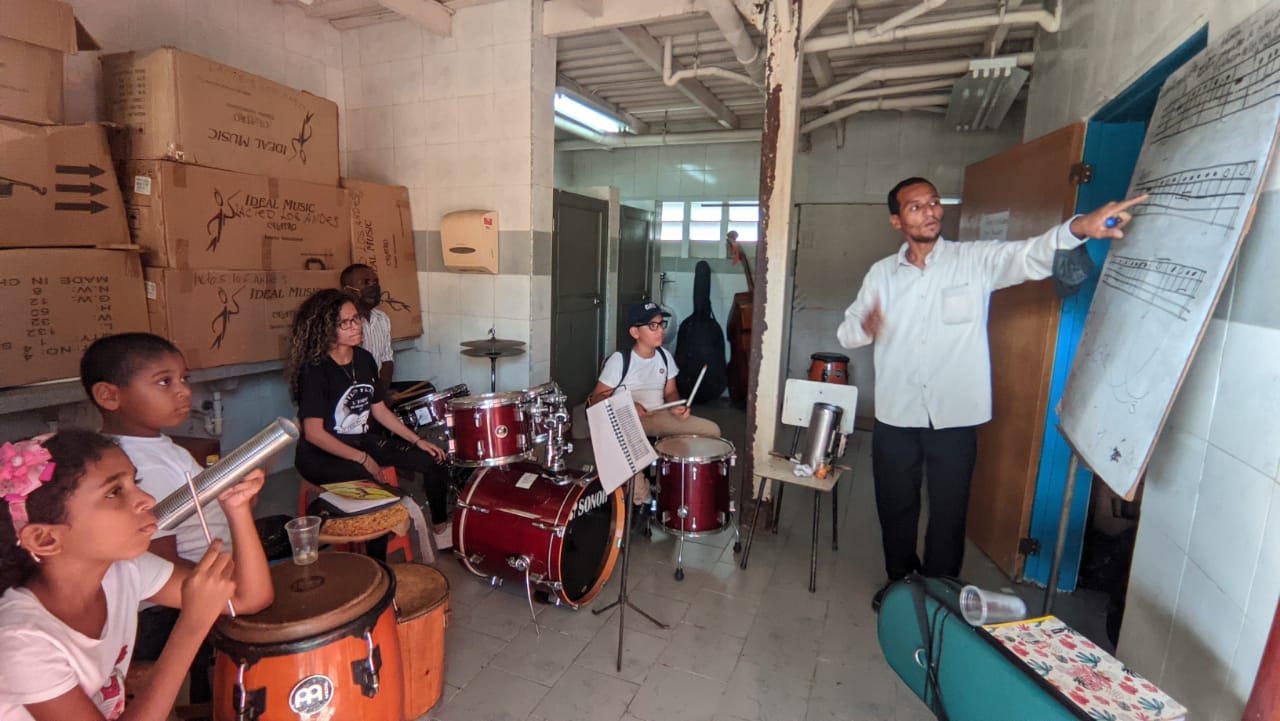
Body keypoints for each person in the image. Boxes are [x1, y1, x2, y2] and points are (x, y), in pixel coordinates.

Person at [837, 177, 1146, 612]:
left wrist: (1077, 228)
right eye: (915, 207)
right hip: (896, 414)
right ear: (896, 220)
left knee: (949, 512)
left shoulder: (973, 261)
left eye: (932, 203)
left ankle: (940, 591)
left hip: (955, 417)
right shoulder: (880, 275)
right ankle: (900, 582)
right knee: (895, 507)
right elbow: (848, 330)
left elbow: (1027, 256)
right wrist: (863, 328)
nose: (929, 212)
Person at [0, 430, 272, 720]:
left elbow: (249, 598)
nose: (147, 499)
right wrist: (192, 624)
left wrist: (236, 508)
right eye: (114, 492)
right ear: (45, 540)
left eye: (135, 482)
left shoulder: (123, 570)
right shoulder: (22, 639)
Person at [79, 332, 228, 706]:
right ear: (110, 396)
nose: (183, 392)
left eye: (184, 379)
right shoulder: (136, 465)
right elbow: (159, 556)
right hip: (171, 606)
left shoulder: (161, 449)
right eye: (164, 382)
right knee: (174, 694)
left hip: (192, 589)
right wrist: (214, 596)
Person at [286, 289, 453, 550]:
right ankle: (378, 569)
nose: (356, 326)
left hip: (362, 442)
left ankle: (440, 528)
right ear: (326, 328)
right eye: (346, 322)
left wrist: (417, 440)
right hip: (320, 456)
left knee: (434, 460)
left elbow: (379, 410)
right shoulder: (316, 370)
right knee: (377, 498)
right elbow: (314, 433)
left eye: (356, 319)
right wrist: (362, 459)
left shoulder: (363, 359)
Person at [588, 301, 721, 511]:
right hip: (627, 420)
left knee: (712, 431)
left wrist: (675, 406)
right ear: (635, 332)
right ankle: (643, 495)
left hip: (658, 417)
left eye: (661, 324)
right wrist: (629, 404)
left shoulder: (665, 357)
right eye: (653, 326)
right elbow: (595, 399)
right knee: (629, 454)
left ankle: (681, 482)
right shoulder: (620, 360)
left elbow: (670, 392)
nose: (660, 331)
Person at [340, 264, 394, 397]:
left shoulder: (382, 319)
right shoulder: (341, 323)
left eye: (375, 282)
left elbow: (387, 360)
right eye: (365, 282)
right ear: (347, 290)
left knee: (427, 390)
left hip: (377, 388)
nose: (373, 286)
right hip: (351, 393)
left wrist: (380, 392)